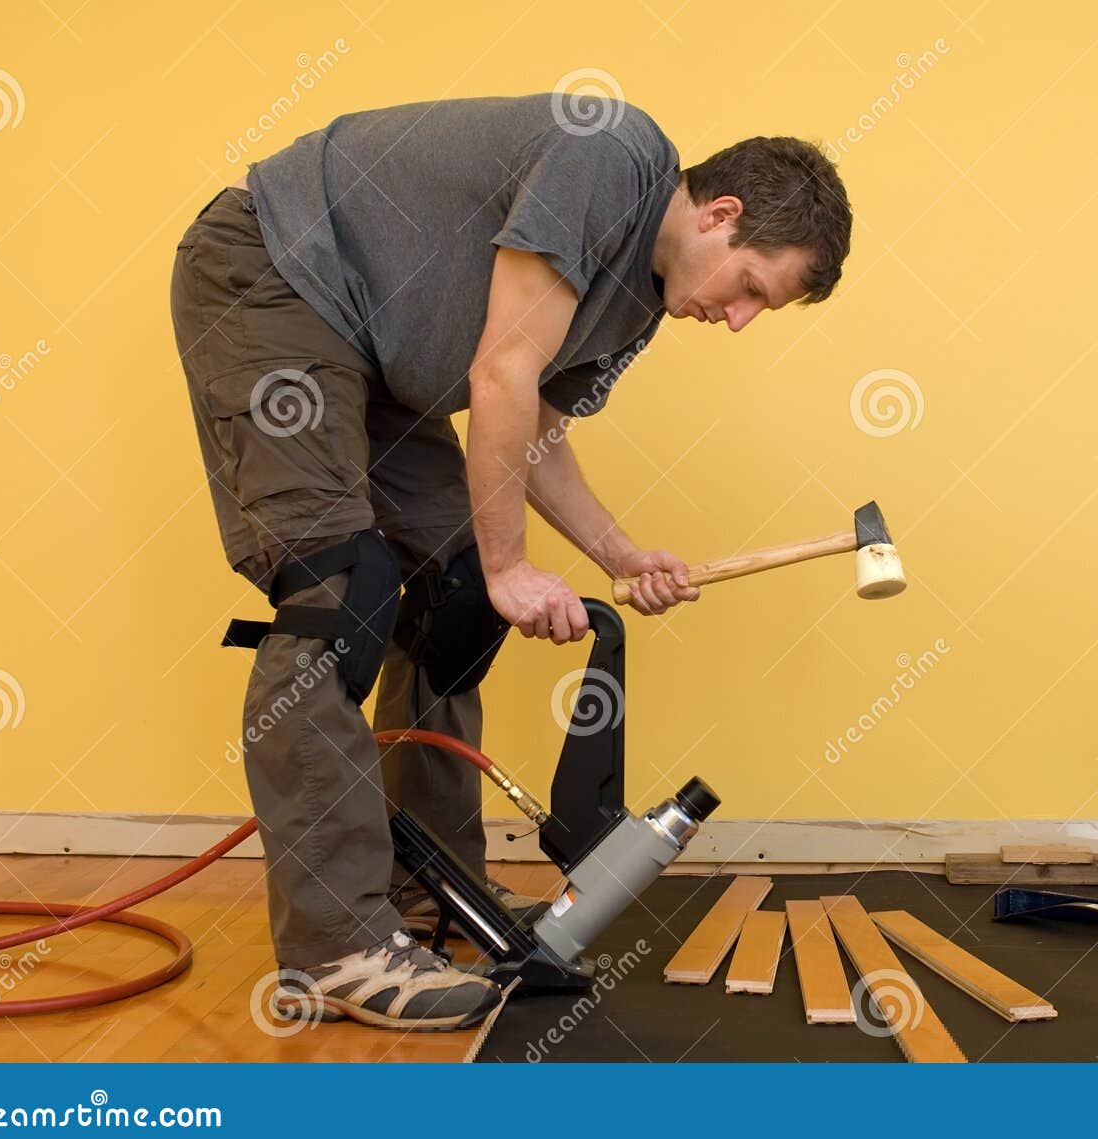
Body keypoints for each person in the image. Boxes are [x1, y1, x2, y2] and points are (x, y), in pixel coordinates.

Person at [169, 93, 852, 1030]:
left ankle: (428, 895)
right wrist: (512, 565)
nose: (736, 320)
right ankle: (336, 945)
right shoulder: (611, 156)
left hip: (367, 348)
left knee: (457, 593)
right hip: (278, 275)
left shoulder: (638, 309)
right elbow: (499, 375)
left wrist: (616, 552)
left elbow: (533, 432)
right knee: (341, 590)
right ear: (720, 214)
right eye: (749, 290)